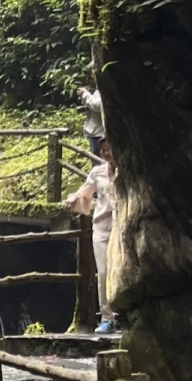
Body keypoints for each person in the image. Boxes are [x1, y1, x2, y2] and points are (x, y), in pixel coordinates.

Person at [66, 139, 117, 332]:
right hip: (102, 226)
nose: (106, 153)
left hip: (121, 226)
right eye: (103, 150)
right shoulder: (98, 172)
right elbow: (84, 193)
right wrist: (74, 198)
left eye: (109, 149)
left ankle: (128, 315)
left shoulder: (127, 170)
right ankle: (107, 316)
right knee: (103, 271)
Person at [78, 84, 105, 155]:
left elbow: (97, 105)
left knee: (99, 159)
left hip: (100, 133)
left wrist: (85, 94)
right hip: (96, 132)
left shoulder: (107, 88)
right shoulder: (99, 89)